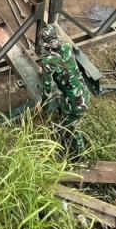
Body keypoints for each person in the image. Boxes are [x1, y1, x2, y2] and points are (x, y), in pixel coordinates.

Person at [38, 24, 90, 159]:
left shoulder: (48, 61)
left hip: (75, 103)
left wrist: (42, 104)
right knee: (68, 118)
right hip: (84, 93)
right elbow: (63, 62)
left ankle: (78, 155)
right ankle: (73, 145)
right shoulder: (67, 46)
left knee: (68, 126)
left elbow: (47, 88)